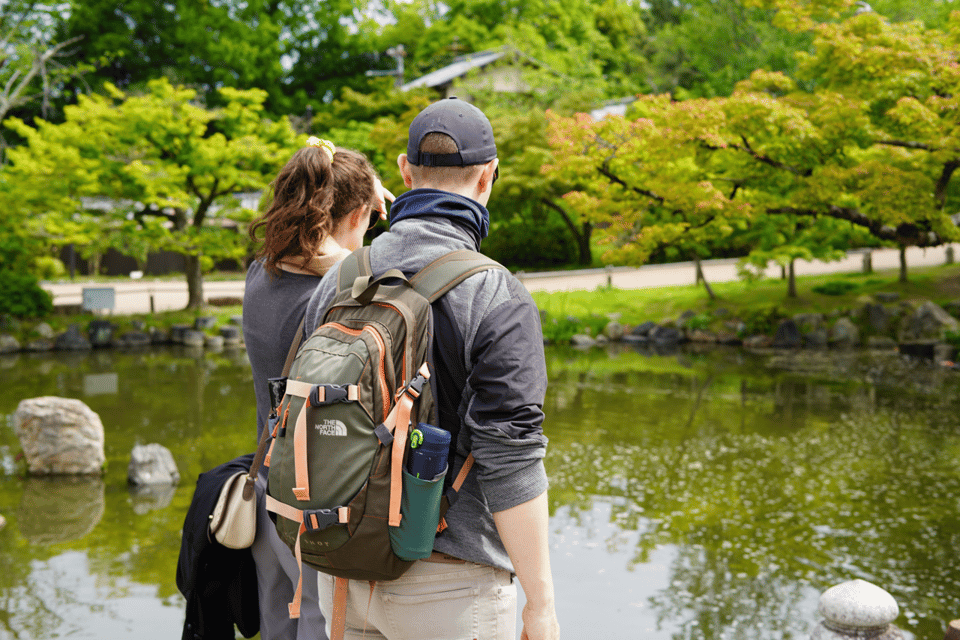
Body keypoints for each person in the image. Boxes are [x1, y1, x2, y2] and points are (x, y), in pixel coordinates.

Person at [302, 97, 560, 640]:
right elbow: (510, 457)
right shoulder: (496, 293)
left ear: (403, 171)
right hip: (451, 586)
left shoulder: (340, 277)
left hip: (344, 572)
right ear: (489, 177)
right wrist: (540, 602)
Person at [242, 137, 392, 640]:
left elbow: (321, 252)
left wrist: (358, 199)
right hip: (312, 501)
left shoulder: (257, 276)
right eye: (370, 217)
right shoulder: (338, 300)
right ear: (353, 217)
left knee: (278, 623)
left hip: (263, 480)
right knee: (317, 623)